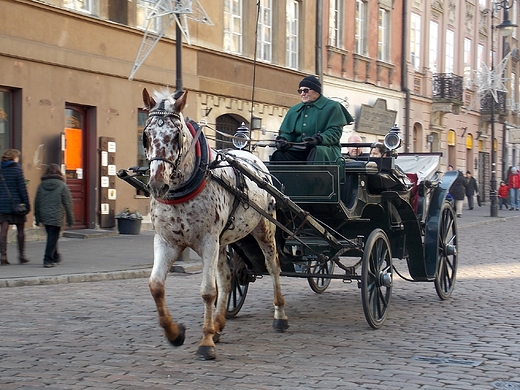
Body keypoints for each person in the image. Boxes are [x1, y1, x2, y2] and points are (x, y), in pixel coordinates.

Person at [271, 75, 353, 162]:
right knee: (279, 155)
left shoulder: (332, 107)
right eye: (300, 91)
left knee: (316, 152)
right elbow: (287, 132)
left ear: (316, 91)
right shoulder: (294, 110)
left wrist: (318, 139)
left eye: (306, 90)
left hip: (325, 148)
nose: (302, 94)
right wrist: (284, 140)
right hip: (298, 150)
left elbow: (335, 132)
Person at [34, 163, 75, 268]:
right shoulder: (62, 186)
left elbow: (37, 202)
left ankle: (55, 256)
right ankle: (47, 259)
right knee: (53, 237)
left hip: (44, 215)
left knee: (52, 237)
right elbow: (68, 203)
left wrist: (37, 218)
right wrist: (71, 220)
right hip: (56, 215)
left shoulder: (41, 185)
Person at [0, 149, 31, 265]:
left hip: (2, 204)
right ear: (14, 158)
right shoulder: (16, 169)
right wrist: (27, 205)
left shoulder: (1, 169)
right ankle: (21, 255)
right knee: (20, 230)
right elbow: (22, 189)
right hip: (16, 205)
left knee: (3, 231)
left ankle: (3, 256)